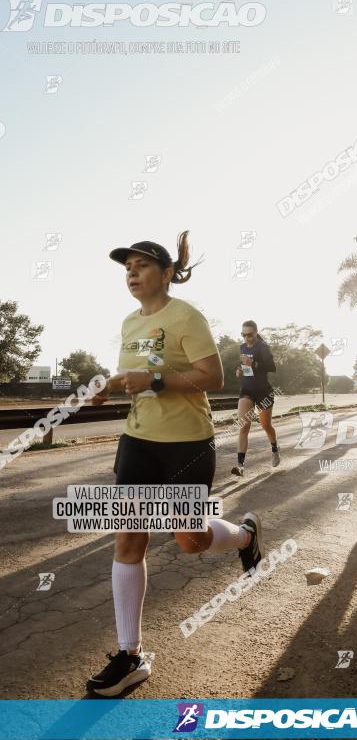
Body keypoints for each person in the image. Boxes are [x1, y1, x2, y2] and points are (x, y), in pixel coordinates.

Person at [86, 234, 264, 697]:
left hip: (186, 444)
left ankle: (245, 535)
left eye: (143, 265)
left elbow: (213, 377)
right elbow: (136, 376)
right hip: (138, 441)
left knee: (190, 541)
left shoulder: (186, 316)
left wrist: (158, 378)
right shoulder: (129, 322)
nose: (132, 272)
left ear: (166, 273)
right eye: (127, 266)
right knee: (129, 538)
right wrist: (110, 385)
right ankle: (130, 656)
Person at [231, 320, 279, 476]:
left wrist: (255, 364)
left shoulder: (263, 347)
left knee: (266, 426)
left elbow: (272, 367)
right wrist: (239, 369)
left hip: (264, 392)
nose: (246, 338)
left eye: (249, 335)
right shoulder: (242, 347)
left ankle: (275, 449)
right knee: (243, 426)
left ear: (256, 333)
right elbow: (244, 365)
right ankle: (240, 466)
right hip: (247, 390)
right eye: (243, 335)